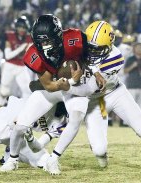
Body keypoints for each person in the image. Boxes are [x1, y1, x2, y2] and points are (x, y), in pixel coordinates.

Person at [0, 14, 106, 172]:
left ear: (58, 35)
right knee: (20, 125)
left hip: (75, 88)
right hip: (54, 87)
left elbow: (88, 55)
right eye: (40, 41)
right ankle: (13, 159)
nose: (44, 44)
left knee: (76, 118)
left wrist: (96, 72)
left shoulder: (75, 38)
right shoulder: (33, 54)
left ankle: (54, 159)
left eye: (47, 40)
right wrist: (69, 81)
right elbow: (49, 85)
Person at [44, 21, 141, 174]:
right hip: (97, 102)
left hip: (115, 94)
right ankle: (101, 153)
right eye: (90, 46)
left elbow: (88, 89)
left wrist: (68, 86)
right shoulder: (80, 44)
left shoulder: (115, 57)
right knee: (99, 150)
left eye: (98, 48)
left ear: (109, 46)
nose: (93, 51)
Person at [0, 95, 67, 170]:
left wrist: (31, 139)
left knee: (45, 161)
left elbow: (37, 147)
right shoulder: (39, 100)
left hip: (20, 138)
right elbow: (15, 124)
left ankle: (11, 151)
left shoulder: (63, 122)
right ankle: (12, 153)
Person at [0, 15, 32, 101]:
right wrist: (22, 47)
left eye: (24, 27)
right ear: (16, 27)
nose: (22, 29)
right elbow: (8, 56)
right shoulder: (9, 35)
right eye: (20, 27)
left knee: (27, 90)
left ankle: (26, 110)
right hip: (9, 66)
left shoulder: (29, 38)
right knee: (4, 91)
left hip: (21, 67)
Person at [124, 43, 141, 108]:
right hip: (132, 86)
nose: (139, 49)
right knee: (131, 107)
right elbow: (125, 71)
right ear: (134, 49)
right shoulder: (131, 59)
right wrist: (133, 66)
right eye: (138, 48)